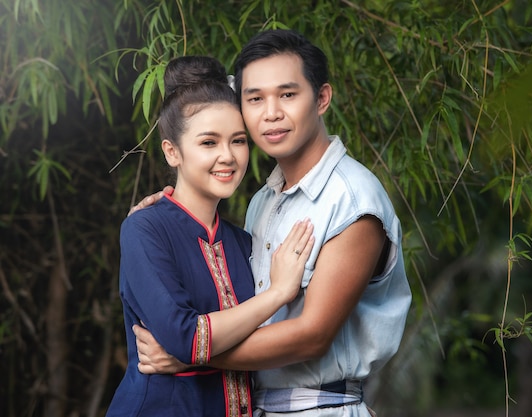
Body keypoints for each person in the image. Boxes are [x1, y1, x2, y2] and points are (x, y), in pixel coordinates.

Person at [132, 29, 412, 416]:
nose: (271, 112)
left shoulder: (351, 199)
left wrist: (193, 357)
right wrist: (161, 222)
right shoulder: (264, 201)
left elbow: (311, 336)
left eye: (288, 95)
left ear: (322, 98)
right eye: (255, 99)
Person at [106, 55, 314, 417]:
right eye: (208, 143)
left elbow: (266, 343)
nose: (227, 156)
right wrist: (279, 292)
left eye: (237, 141)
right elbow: (186, 337)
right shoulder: (144, 229)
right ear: (172, 151)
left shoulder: (242, 242)